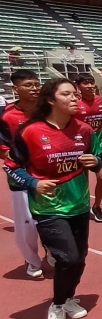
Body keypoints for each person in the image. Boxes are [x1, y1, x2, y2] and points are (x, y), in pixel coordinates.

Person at [4, 78, 102, 319]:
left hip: (79, 204)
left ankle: (67, 298)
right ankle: (57, 305)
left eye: (75, 95)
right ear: (50, 100)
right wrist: (33, 182)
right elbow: (11, 166)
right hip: (48, 207)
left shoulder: (84, 129)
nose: (74, 98)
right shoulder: (30, 132)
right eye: (67, 94)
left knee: (79, 259)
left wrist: (96, 161)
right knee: (68, 257)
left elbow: (98, 156)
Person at [0, 69, 51, 277]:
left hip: (49, 175)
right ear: (15, 89)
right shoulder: (7, 116)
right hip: (21, 178)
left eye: (36, 84)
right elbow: (3, 148)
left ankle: (53, 253)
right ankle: (32, 260)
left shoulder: (48, 110)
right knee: (27, 223)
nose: (34, 88)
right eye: (28, 85)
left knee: (52, 218)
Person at [74, 74, 102, 223]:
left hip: (99, 142)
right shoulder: (75, 102)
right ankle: (83, 206)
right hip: (81, 144)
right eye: (85, 83)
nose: (89, 86)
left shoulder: (99, 99)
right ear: (78, 86)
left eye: (91, 83)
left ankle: (96, 206)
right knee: (83, 179)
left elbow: (99, 116)